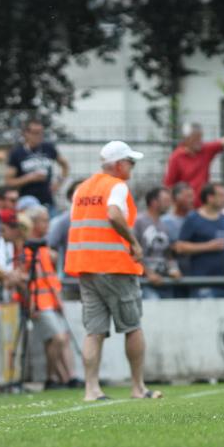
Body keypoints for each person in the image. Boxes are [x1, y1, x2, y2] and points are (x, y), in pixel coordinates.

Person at [65, 141, 162, 401]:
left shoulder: (82, 189)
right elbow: (113, 214)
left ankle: (91, 389)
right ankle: (138, 387)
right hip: (114, 266)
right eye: (130, 162)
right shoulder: (116, 185)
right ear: (118, 164)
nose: (132, 167)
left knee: (94, 331)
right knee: (132, 326)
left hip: (85, 266)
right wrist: (134, 243)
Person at [18, 206, 80, 389]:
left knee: (61, 339)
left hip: (51, 302)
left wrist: (57, 299)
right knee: (57, 338)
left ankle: (65, 377)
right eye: (44, 221)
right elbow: (27, 279)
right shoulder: (27, 249)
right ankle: (51, 377)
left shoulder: (43, 247)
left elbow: (49, 277)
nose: (48, 224)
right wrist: (31, 303)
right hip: (39, 303)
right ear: (34, 223)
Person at [164, 119, 224, 207]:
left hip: (204, 206)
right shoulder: (176, 157)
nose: (200, 141)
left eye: (200, 137)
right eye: (195, 138)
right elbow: (169, 186)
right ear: (186, 139)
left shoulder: (205, 149)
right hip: (185, 208)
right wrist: (176, 206)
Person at [174, 182, 224, 298]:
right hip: (202, 283)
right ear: (210, 197)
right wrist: (208, 246)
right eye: (221, 195)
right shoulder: (193, 218)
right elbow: (180, 247)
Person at [5, 118, 70, 210]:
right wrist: (29, 178)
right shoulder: (17, 153)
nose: (38, 136)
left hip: (47, 200)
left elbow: (65, 165)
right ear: (26, 133)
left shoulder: (48, 148)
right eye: (35, 133)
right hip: (26, 201)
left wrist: (58, 183)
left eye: (41, 132)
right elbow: (9, 181)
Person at [133, 187, 181, 299]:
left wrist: (174, 269)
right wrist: (148, 273)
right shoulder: (138, 222)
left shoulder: (164, 224)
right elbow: (132, 251)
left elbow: (168, 253)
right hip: (144, 283)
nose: (169, 204)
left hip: (164, 280)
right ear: (154, 202)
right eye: (165, 200)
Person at [161, 182, 194, 276]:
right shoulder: (165, 221)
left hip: (195, 269)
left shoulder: (196, 219)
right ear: (176, 199)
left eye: (192, 196)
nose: (192, 200)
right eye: (188, 197)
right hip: (173, 273)